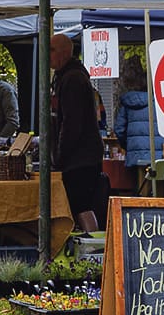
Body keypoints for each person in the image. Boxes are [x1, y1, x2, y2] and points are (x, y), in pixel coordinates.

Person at [50, 33, 107, 231]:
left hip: (80, 158)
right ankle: (89, 246)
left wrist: (60, 156)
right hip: (81, 156)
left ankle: (92, 248)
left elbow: (71, 123)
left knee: (80, 205)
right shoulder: (68, 76)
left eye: (51, 50)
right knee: (80, 205)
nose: (47, 55)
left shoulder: (72, 78)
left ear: (65, 53)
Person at [112, 57, 155, 170]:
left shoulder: (127, 104)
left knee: (138, 186)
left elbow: (119, 129)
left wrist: (128, 145)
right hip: (157, 156)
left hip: (134, 156)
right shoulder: (156, 103)